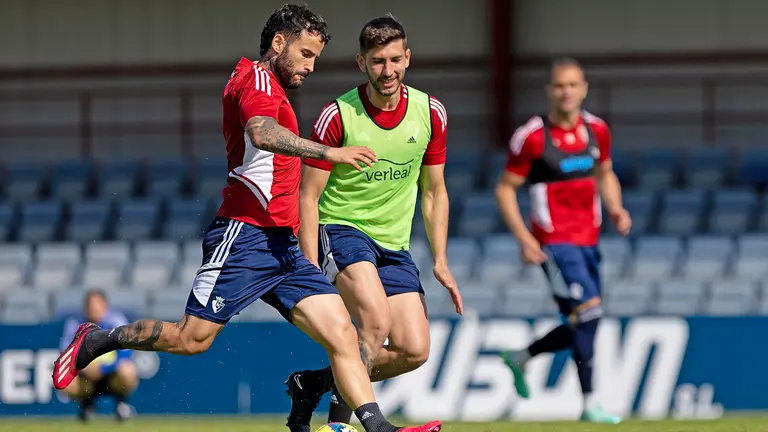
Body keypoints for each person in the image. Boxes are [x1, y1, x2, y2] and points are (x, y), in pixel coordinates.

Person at [52, 5, 441, 432]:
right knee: (190, 339)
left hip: (284, 245)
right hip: (244, 235)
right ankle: (98, 339)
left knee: (344, 334)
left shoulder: (272, 85)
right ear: (279, 43)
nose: (311, 66)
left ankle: (374, 427)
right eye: (306, 54)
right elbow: (261, 133)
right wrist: (329, 152)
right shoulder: (254, 81)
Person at [284, 15, 464, 431]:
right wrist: (310, 265)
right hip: (341, 229)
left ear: (408, 58)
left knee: (414, 349)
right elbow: (307, 196)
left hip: (394, 244)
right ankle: (340, 425)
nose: (389, 71)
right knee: (374, 322)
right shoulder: (338, 115)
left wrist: (441, 260)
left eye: (396, 60)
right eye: (378, 61)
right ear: (361, 63)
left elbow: (434, 191)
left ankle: (311, 384)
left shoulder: (430, 113)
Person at [495, 57, 631, 424]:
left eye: (573, 85)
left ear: (584, 88)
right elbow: (506, 189)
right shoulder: (533, 136)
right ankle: (589, 405)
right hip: (554, 242)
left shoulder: (596, 130)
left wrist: (616, 208)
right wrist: (525, 238)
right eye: (559, 85)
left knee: (584, 319)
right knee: (588, 312)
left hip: (590, 239)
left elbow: (606, 173)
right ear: (549, 90)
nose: (566, 92)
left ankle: (522, 357)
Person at [58, 290, 138, 422]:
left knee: (128, 371)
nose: (93, 309)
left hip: (112, 373)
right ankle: (86, 403)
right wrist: (83, 368)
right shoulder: (75, 324)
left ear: (105, 306)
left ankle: (121, 404)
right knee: (65, 383)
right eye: (90, 306)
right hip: (86, 375)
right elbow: (66, 354)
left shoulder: (116, 321)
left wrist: (104, 368)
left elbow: (126, 352)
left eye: (96, 305)